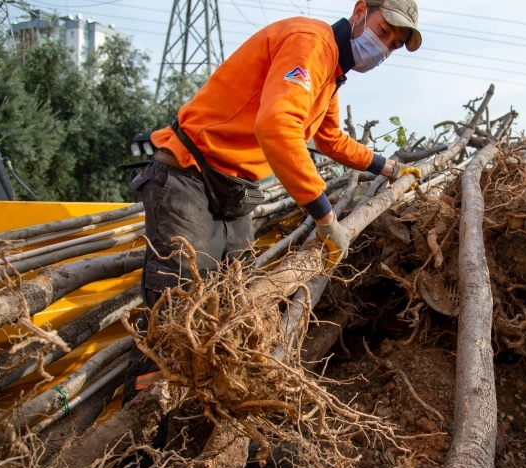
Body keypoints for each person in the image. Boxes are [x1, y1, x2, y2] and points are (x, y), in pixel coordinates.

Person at [122, 0, 423, 410]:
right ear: (359, 12)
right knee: (178, 312)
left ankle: (197, 416)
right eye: (383, 31)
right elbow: (277, 125)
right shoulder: (311, 43)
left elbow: (330, 139)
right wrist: (325, 217)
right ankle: (140, 441)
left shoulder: (330, 72)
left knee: (228, 306)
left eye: (393, 44)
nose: (383, 46)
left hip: (232, 190)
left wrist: (389, 168)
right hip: (188, 175)